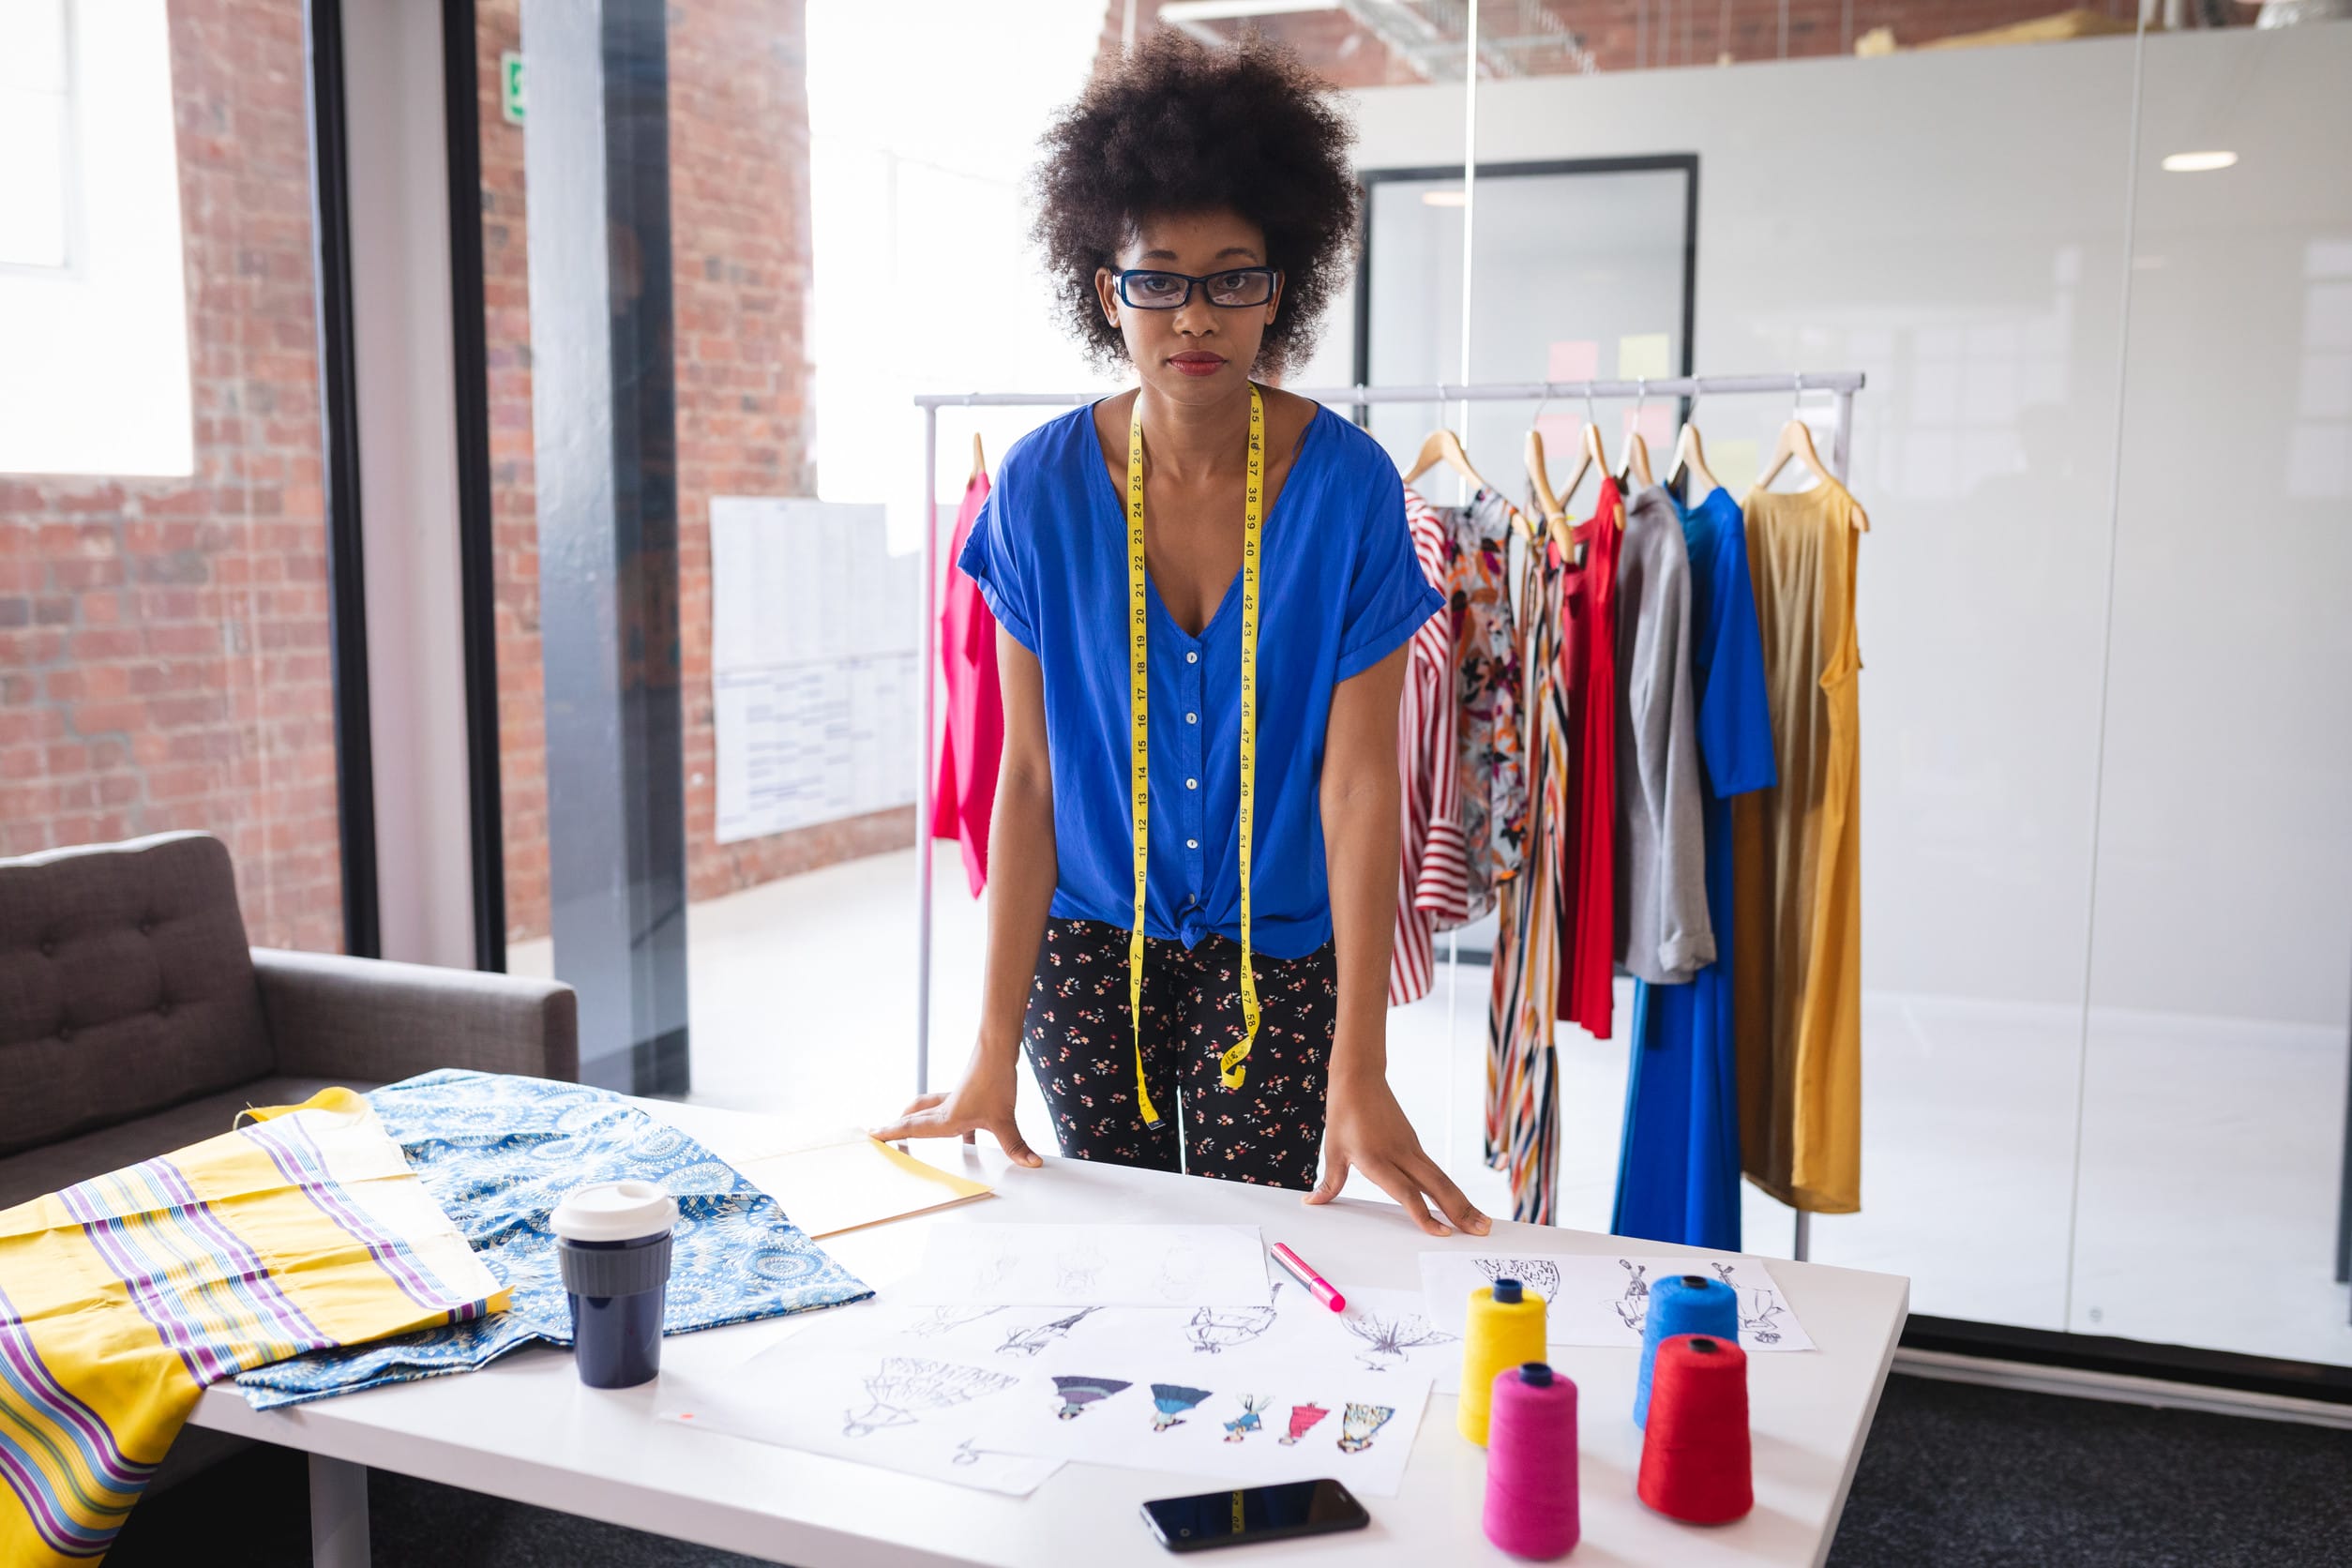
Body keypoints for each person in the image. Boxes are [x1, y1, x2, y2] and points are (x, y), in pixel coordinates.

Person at [874, 33, 1488, 1238]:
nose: (1194, 315)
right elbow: (1031, 775)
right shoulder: (1040, 490)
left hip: (1284, 955)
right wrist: (990, 1046)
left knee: (1263, 1257)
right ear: (1109, 290)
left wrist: (1360, 1067)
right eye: (1159, 277)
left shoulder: (1353, 490)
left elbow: (1363, 789)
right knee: (1125, 1255)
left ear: (1283, 286)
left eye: (1234, 277)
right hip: (1089, 953)